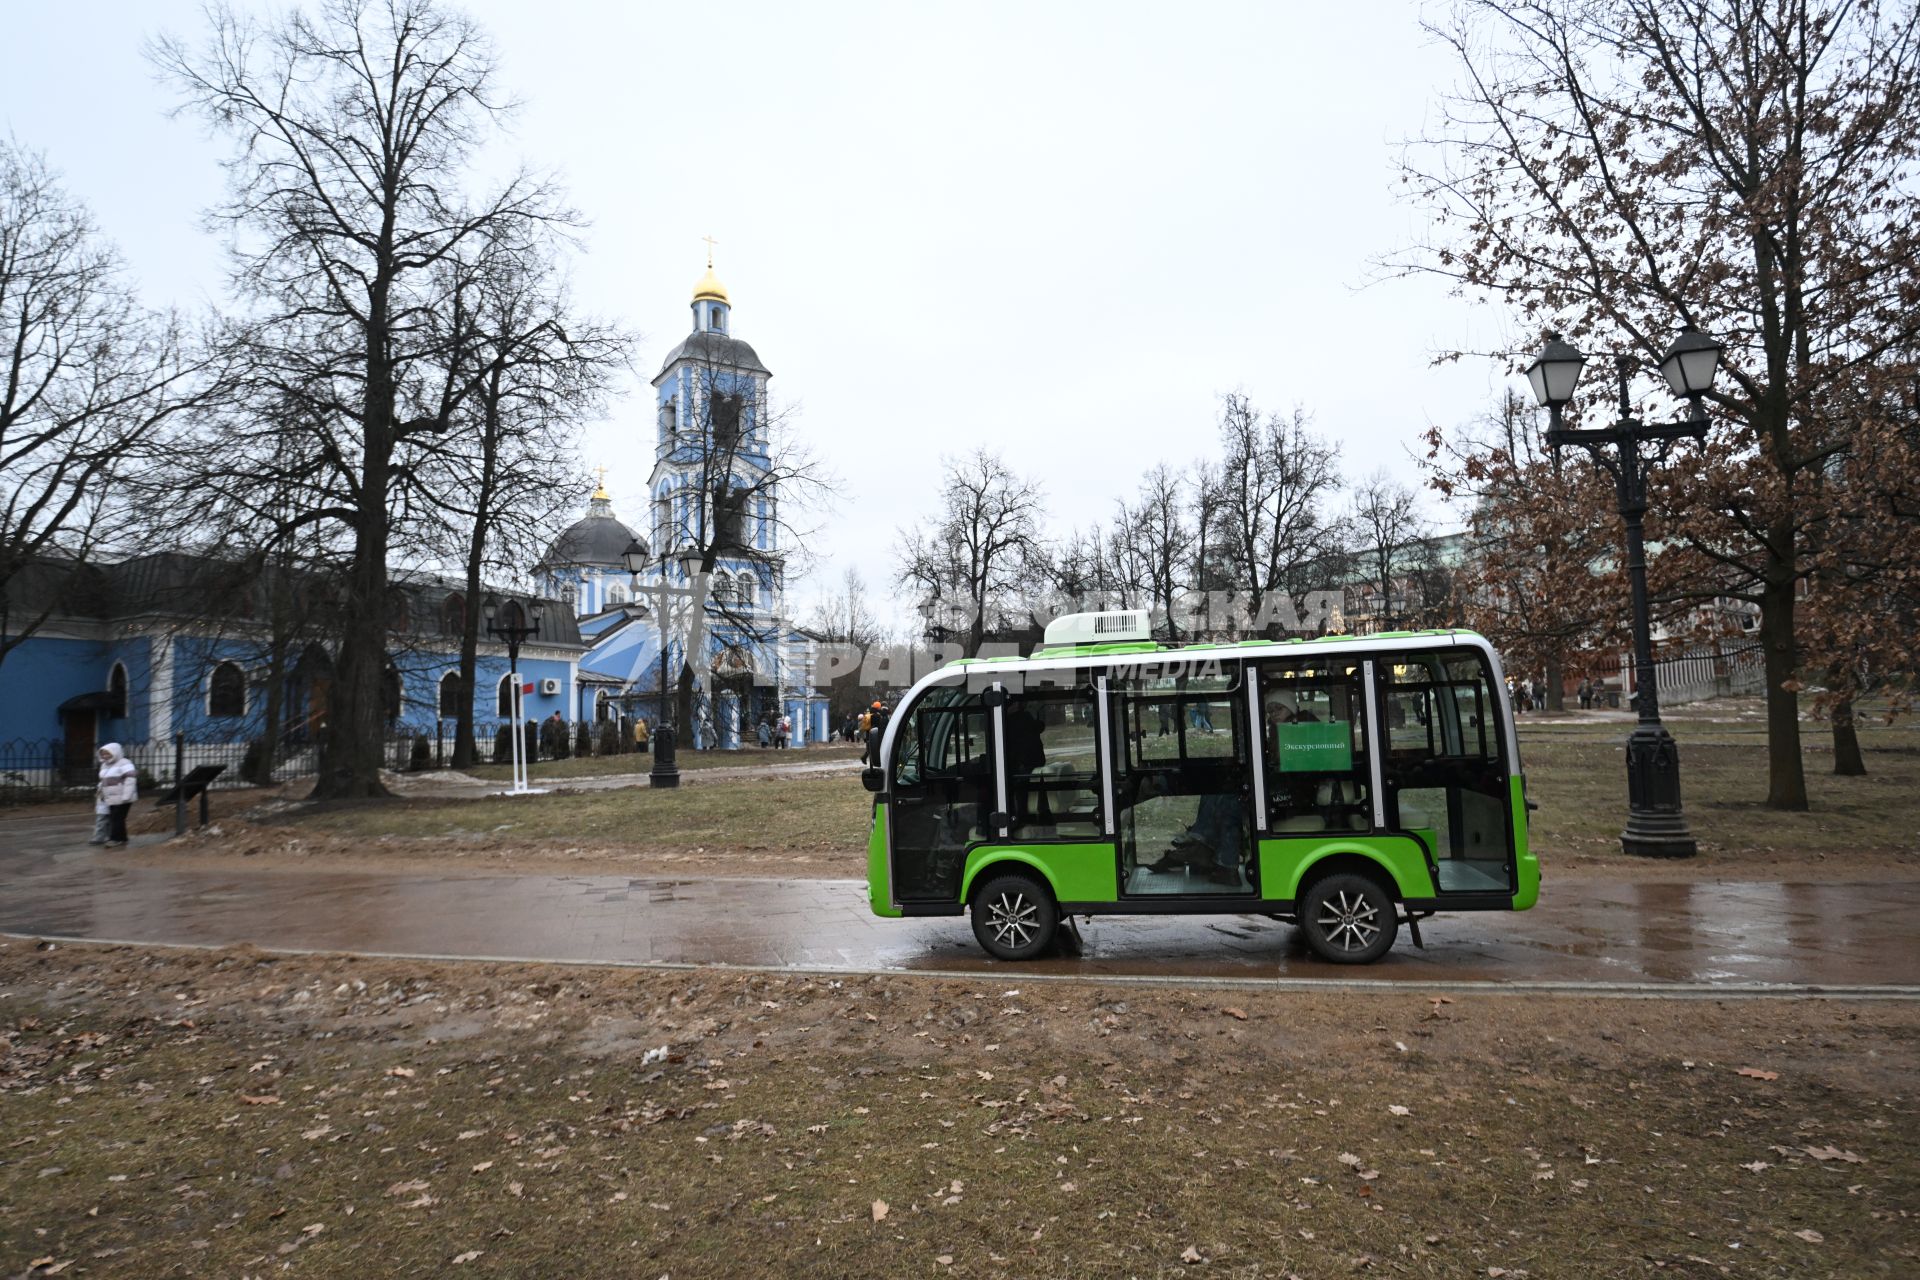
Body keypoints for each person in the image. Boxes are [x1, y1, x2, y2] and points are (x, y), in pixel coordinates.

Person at [96, 743, 137, 848]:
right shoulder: (104, 765)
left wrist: (126, 796)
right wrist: (101, 793)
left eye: (107, 754)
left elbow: (130, 780)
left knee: (117, 818)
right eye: (103, 754)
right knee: (117, 818)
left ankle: (115, 839)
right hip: (111, 798)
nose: (105, 756)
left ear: (115, 752)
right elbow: (103, 781)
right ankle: (122, 838)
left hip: (122, 798)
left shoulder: (125, 763)